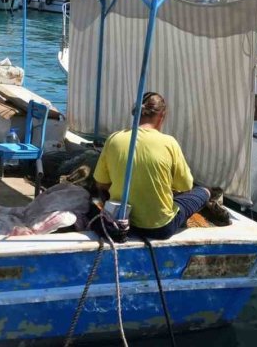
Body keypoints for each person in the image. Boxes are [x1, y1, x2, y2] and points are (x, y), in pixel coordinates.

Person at [93, 92, 228, 240]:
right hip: (160, 228)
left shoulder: (114, 139)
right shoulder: (169, 143)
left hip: (121, 222)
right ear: (162, 115)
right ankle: (210, 195)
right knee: (203, 191)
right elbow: (185, 186)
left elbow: (101, 183)